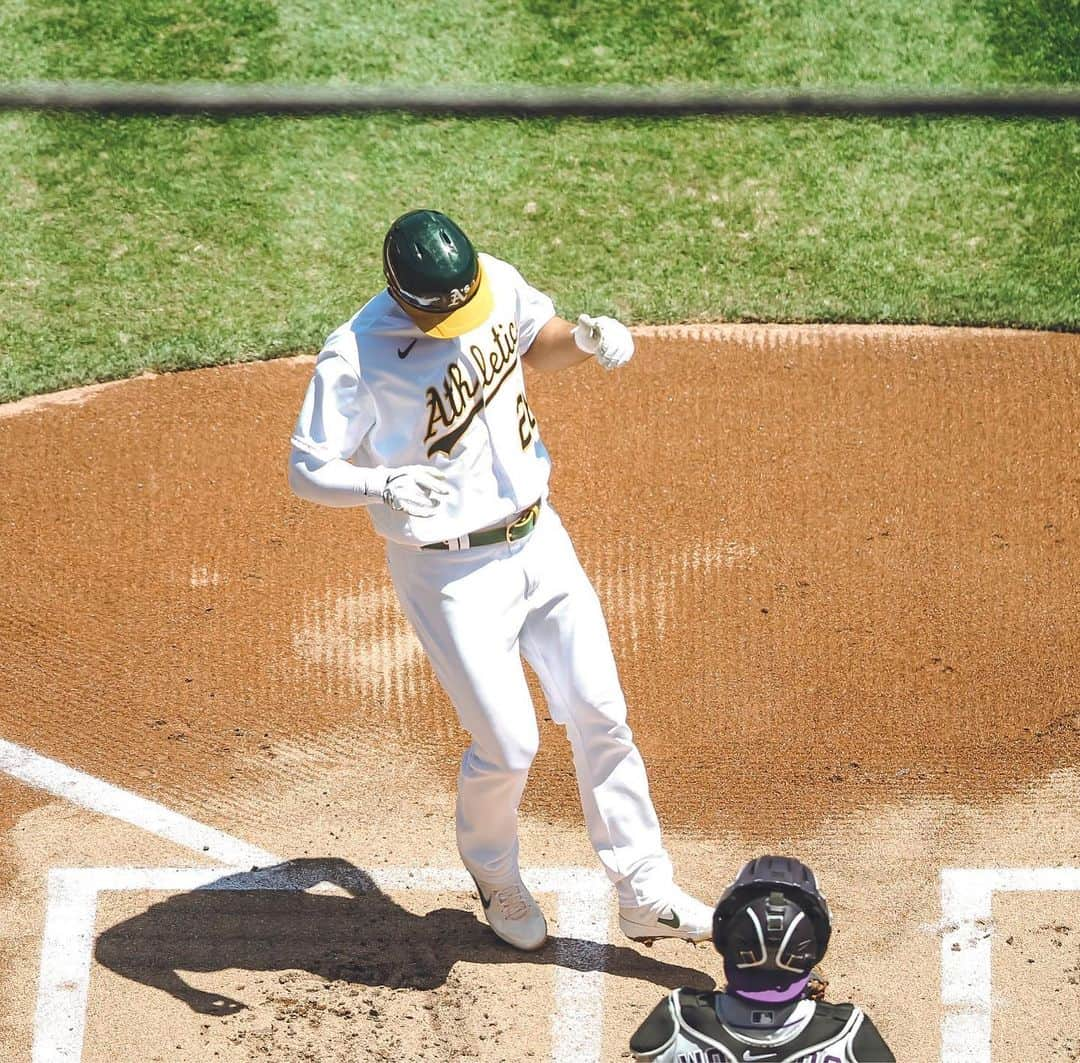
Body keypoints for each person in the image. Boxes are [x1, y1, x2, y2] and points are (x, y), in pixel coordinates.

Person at [287, 209, 711, 951]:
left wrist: (581, 338)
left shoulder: (489, 281)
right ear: (401, 293)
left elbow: (535, 339)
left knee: (600, 711)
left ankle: (644, 890)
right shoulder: (355, 355)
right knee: (509, 744)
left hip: (540, 538)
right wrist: (380, 486)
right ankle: (495, 874)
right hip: (450, 573)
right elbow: (308, 467)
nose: (461, 319)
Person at [629, 856, 896, 1062]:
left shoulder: (676, 1020)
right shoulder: (850, 1035)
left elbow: (646, 1053)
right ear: (815, 947)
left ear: (724, 938)